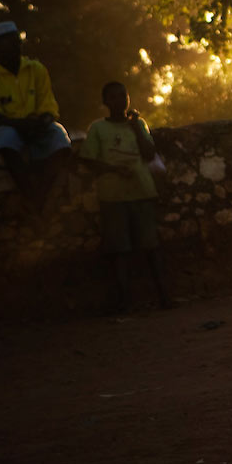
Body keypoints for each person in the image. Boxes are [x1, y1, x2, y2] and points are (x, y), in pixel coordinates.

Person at [80, 81, 172, 313]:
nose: (120, 101)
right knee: (119, 250)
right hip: (113, 195)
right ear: (105, 102)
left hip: (142, 190)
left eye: (123, 96)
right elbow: (88, 160)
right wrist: (114, 170)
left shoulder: (139, 124)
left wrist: (136, 128)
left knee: (152, 246)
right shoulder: (98, 129)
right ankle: (125, 301)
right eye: (114, 97)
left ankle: (164, 296)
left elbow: (149, 153)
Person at [0, 20, 72, 212]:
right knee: (7, 141)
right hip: (6, 128)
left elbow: (48, 104)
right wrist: (21, 125)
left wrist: (43, 121)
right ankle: (31, 196)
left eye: (16, 41)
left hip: (36, 126)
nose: (14, 46)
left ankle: (40, 195)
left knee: (60, 139)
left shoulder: (37, 69)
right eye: (6, 42)